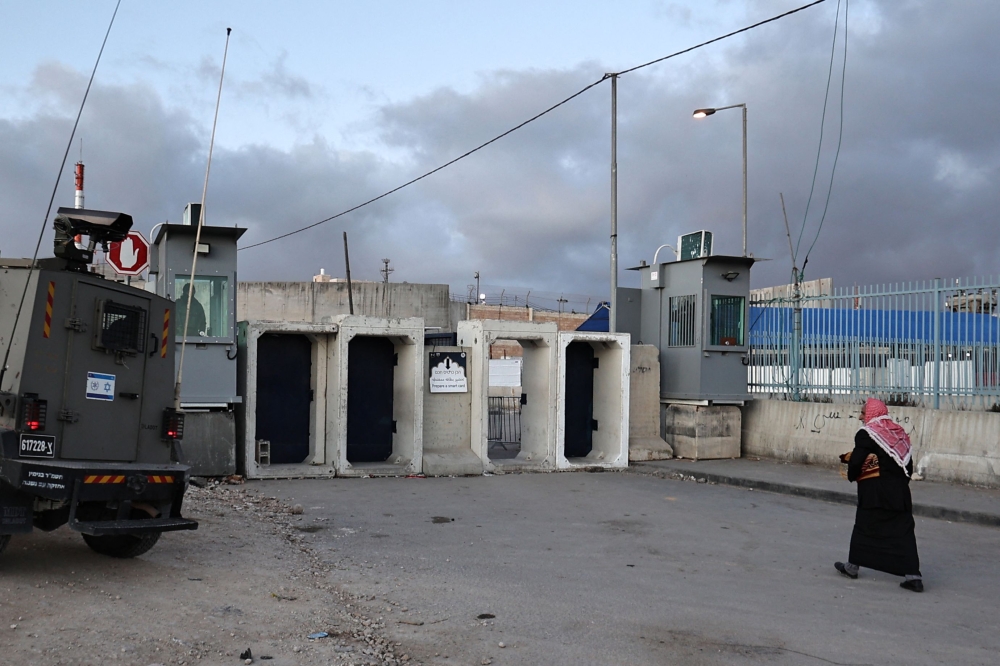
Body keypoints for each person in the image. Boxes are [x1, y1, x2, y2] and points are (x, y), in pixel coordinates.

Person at [835, 398, 923, 592]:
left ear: (871, 414)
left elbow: (857, 461)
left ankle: (851, 568)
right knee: (904, 532)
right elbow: (907, 465)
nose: (860, 417)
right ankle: (913, 577)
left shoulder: (867, 434)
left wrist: (851, 475)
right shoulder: (898, 432)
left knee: (864, 528)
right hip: (899, 494)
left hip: (874, 493)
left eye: (863, 413)